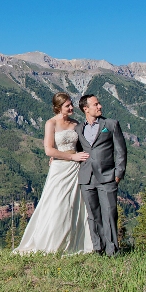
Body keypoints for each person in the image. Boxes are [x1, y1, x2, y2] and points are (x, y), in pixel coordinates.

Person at [12, 92, 93, 255]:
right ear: (58, 107)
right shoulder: (51, 124)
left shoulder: (76, 124)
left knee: (75, 204)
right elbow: (49, 149)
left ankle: (75, 243)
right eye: (67, 105)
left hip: (75, 168)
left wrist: (78, 157)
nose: (71, 108)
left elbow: (80, 145)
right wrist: (69, 156)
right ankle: (52, 243)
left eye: (71, 104)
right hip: (60, 168)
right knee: (57, 204)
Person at [75, 94, 127, 256]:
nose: (100, 106)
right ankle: (98, 248)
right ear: (86, 109)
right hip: (86, 177)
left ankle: (113, 250)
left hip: (107, 176)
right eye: (96, 104)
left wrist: (118, 173)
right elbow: (75, 150)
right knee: (93, 215)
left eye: (99, 104)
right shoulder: (78, 129)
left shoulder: (110, 124)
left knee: (110, 213)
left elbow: (121, 151)